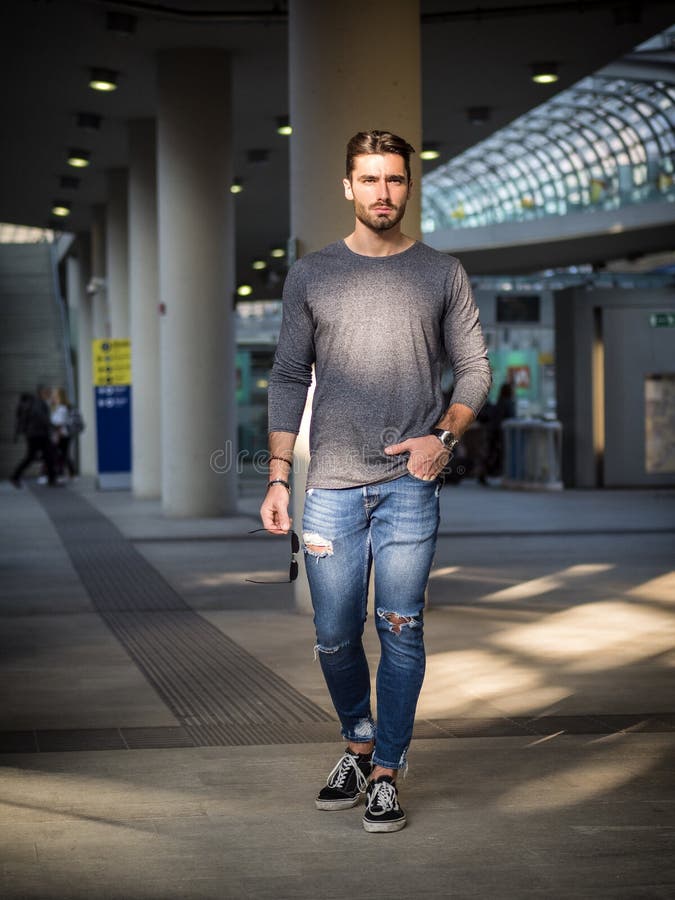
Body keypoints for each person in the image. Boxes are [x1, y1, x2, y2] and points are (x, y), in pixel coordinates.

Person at [260, 130, 491, 833]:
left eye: (393, 179)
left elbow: (474, 369)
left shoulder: (441, 272)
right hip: (330, 484)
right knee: (334, 634)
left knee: (400, 626)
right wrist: (277, 478)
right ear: (347, 187)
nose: (382, 192)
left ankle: (386, 768)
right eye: (369, 179)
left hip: (408, 485)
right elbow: (288, 375)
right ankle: (356, 743)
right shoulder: (311, 274)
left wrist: (442, 438)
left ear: (408, 186)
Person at [10, 385, 57, 487]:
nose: (49, 394)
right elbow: (41, 417)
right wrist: (53, 426)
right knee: (43, 456)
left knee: (45, 456)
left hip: (35, 434)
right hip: (38, 434)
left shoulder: (37, 402)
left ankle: (52, 479)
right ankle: (15, 476)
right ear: (41, 393)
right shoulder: (38, 403)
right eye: (47, 392)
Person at [50, 387, 76, 480]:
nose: (53, 397)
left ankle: (62, 473)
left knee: (60, 454)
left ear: (60, 396)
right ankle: (69, 472)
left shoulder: (62, 408)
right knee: (63, 454)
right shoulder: (58, 407)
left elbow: (59, 423)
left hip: (61, 434)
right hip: (62, 434)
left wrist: (57, 436)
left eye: (55, 395)